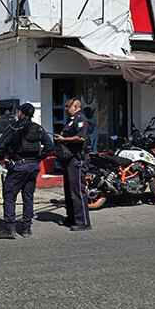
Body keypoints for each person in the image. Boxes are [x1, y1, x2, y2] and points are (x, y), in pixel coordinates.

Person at [0, 103, 54, 239]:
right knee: (28, 197)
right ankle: (27, 229)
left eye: (19, 111)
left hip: (18, 166)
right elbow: (49, 146)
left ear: (21, 113)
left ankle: (10, 229)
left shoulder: (15, 127)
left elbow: (1, 143)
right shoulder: (38, 128)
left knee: (9, 196)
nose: (18, 113)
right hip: (33, 167)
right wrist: (38, 158)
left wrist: (1, 159)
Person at [54, 98, 92, 231]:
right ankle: (71, 218)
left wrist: (64, 139)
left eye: (67, 106)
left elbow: (81, 138)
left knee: (77, 191)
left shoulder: (81, 120)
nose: (65, 109)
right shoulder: (70, 121)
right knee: (69, 191)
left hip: (78, 159)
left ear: (75, 107)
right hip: (69, 159)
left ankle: (83, 222)